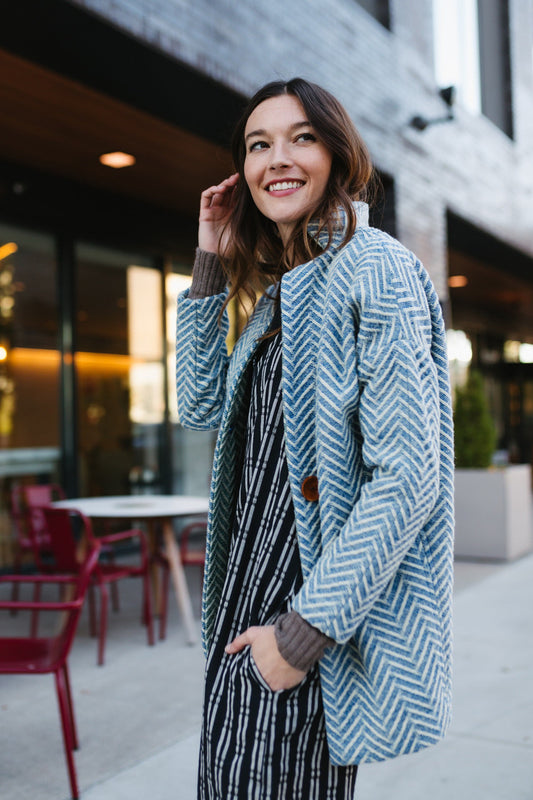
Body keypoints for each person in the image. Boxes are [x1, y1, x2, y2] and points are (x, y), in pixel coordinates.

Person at [176, 78, 454, 800]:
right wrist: (210, 257)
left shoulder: (375, 268)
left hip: (304, 632)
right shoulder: (282, 293)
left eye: (300, 137)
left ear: (337, 152)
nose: (278, 158)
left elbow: (408, 479)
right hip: (244, 619)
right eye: (258, 144)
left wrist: (298, 640)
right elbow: (199, 404)